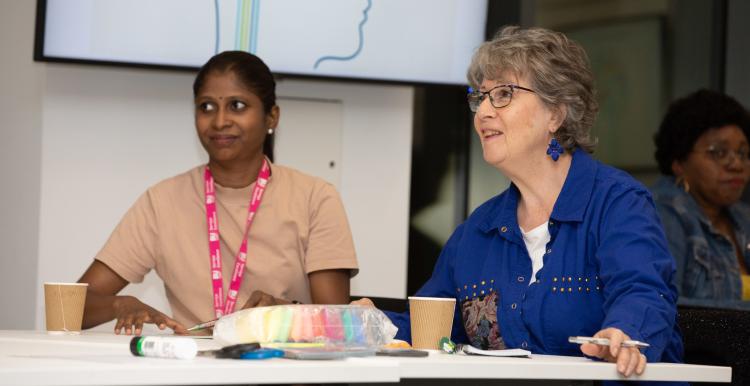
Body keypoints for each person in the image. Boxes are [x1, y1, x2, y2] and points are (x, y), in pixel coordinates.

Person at [356, 26, 684, 381]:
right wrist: (371, 323)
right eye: (479, 97)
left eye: (503, 94)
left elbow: (644, 291)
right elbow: (432, 327)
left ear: (556, 113)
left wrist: (622, 331)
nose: (482, 112)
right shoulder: (478, 230)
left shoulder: (617, 203)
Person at [77, 51, 359, 335]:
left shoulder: (315, 198)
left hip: (284, 372)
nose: (220, 121)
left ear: (271, 117)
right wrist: (120, 304)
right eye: (207, 107)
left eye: (237, 105)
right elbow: (70, 308)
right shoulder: (162, 202)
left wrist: (283, 313)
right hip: (196, 372)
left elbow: (339, 326)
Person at [652, 89, 750, 307]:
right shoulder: (663, 215)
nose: (736, 164)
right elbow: (664, 305)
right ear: (679, 162)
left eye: (743, 153)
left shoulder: (742, 216)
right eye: (718, 152)